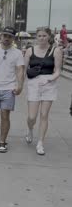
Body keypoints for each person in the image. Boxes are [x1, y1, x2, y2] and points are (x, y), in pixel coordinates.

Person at [24, 27, 63, 155]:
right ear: (37, 37)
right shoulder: (30, 51)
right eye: (39, 36)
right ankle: (30, 129)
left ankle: (40, 143)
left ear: (49, 37)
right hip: (33, 83)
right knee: (31, 117)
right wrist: (18, 84)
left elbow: (58, 70)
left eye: (44, 36)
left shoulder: (56, 51)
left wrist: (50, 79)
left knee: (44, 115)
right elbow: (24, 70)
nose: (42, 38)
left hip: (49, 83)